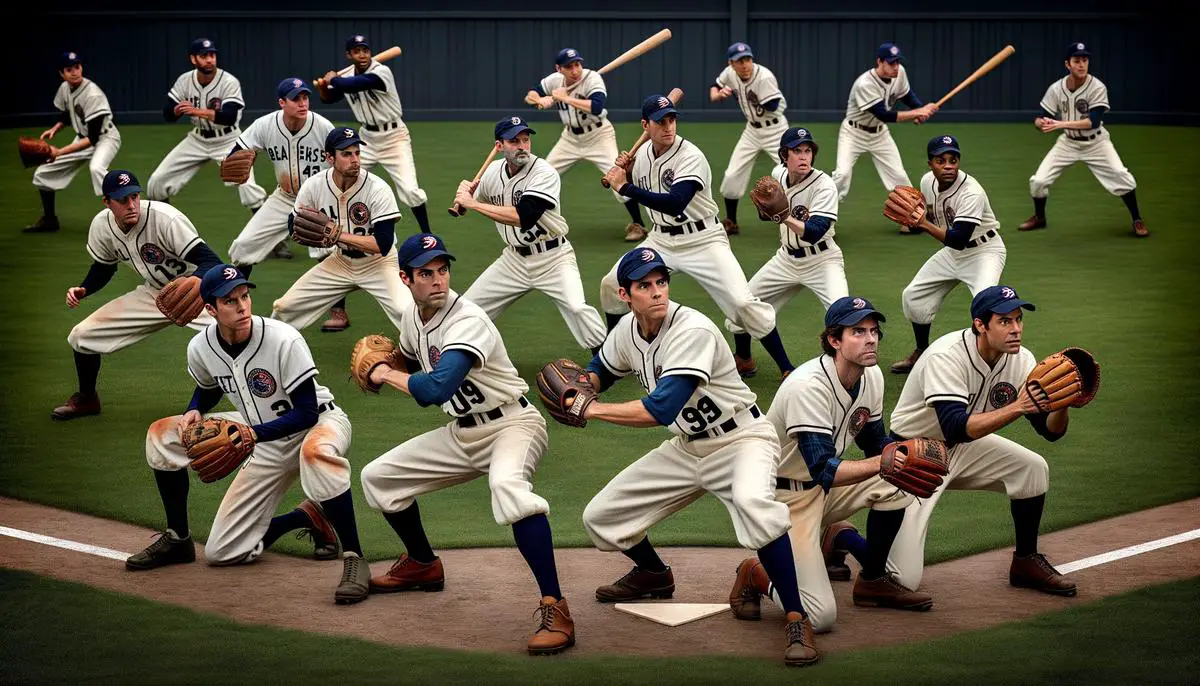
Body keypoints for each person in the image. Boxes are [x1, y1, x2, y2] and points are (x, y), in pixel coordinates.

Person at [578, 247, 819, 667]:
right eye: (644, 286)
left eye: (661, 282)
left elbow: (660, 409)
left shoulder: (693, 329)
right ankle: (653, 574)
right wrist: (582, 385)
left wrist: (591, 408)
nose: (657, 292)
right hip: (688, 448)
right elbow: (603, 365)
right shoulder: (627, 332)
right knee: (601, 517)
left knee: (753, 504)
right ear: (624, 295)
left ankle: (797, 617)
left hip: (742, 439)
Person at [358, 233, 575, 656]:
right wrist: (381, 363)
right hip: (464, 432)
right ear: (405, 279)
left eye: (443, 270)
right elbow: (409, 357)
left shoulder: (467, 319)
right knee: (379, 478)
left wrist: (385, 375)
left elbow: (437, 386)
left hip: (514, 423)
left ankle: (556, 606)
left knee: (508, 490)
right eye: (426, 274)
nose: (438, 280)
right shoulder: (411, 318)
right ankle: (422, 564)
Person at [128, 264, 370, 606]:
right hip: (259, 434)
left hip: (318, 425)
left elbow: (306, 412)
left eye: (245, 296)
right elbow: (207, 385)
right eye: (230, 301)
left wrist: (250, 435)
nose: (242, 306)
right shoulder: (201, 347)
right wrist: (193, 407)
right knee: (221, 550)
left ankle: (354, 558)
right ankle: (180, 537)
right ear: (211, 310)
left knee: (317, 456)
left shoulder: (283, 338)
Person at [728, 296, 931, 649]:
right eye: (858, 332)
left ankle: (872, 578)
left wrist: (898, 455)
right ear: (834, 340)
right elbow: (823, 469)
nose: (871, 339)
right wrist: (886, 461)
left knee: (898, 486)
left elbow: (873, 441)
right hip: (786, 499)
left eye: (873, 331)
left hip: (827, 488)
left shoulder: (873, 377)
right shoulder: (808, 386)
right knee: (820, 618)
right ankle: (755, 573)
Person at [885, 285, 1078, 597]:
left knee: (1032, 468)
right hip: (914, 456)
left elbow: (1050, 432)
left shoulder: (1021, 360)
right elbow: (955, 427)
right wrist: (1019, 406)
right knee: (902, 577)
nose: (1016, 329)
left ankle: (1026, 561)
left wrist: (1063, 402)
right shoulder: (947, 355)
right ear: (980, 325)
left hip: (966, 448)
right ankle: (844, 539)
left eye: (1018, 320)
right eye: (1005, 322)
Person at [600, 94, 795, 379]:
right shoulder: (640, 155)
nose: (668, 127)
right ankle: (612, 355)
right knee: (611, 283)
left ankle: (785, 367)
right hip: (660, 240)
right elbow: (641, 186)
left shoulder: (690, 155)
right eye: (660, 122)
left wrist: (625, 188)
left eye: (672, 120)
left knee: (742, 304)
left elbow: (675, 202)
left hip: (703, 240)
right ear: (645, 125)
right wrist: (626, 173)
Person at [53, 170, 223, 420]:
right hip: (154, 293)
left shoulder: (165, 219)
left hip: (198, 293)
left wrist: (195, 285)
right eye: (123, 200)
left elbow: (211, 261)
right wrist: (85, 288)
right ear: (107, 202)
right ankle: (87, 399)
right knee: (82, 336)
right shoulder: (102, 226)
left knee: (237, 336)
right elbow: (104, 266)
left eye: (134, 196)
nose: (131, 205)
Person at [451, 117, 605, 354]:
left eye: (526, 139)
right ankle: (459, 356)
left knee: (576, 307)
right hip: (513, 260)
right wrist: (464, 197)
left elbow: (524, 216)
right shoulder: (492, 172)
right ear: (499, 146)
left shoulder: (544, 172)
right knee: (468, 309)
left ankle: (605, 360)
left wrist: (472, 204)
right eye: (514, 141)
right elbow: (470, 199)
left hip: (553, 257)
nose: (522, 146)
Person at [223, 77, 355, 332]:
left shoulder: (322, 126)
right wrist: (235, 161)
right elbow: (236, 150)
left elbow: (343, 159)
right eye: (296, 99)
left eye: (305, 97)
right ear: (282, 102)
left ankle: (339, 312)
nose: (303, 103)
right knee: (243, 247)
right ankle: (233, 302)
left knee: (326, 252)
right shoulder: (265, 125)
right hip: (284, 197)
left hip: (318, 198)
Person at [727, 127, 847, 373]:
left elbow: (815, 231)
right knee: (741, 306)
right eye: (797, 151)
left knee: (843, 316)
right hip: (785, 259)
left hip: (822, 260)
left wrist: (782, 216)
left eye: (808, 151)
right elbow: (768, 215)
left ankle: (845, 370)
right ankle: (744, 358)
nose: (804, 156)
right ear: (784, 156)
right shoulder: (777, 175)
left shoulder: (824, 185)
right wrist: (768, 212)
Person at [270, 127, 410, 333]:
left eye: (357, 152)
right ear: (330, 158)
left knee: (406, 311)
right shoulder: (314, 186)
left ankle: (421, 356)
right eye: (346, 154)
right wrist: (316, 238)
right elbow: (293, 225)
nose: (355, 159)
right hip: (340, 262)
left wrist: (338, 235)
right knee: (284, 308)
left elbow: (383, 244)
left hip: (379, 263)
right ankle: (270, 350)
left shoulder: (377, 188)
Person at [889, 135, 1006, 374]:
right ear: (930, 164)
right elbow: (935, 218)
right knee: (913, 296)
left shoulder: (971, 192)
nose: (948, 165)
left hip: (985, 251)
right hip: (953, 254)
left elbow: (958, 239)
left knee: (984, 305)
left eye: (953, 159)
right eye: (941, 160)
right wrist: (915, 220)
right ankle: (921, 351)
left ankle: (987, 363)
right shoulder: (926, 182)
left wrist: (921, 224)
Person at [1019, 41, 1147, 237]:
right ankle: (1039, 218)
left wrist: (1059, 124)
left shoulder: (1096, 87)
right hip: (1068, 143)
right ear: (1067, 64)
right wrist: (1040, 123)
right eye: (1076, 60)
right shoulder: (1056, 88)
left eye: (1085, 60)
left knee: (1121, 176)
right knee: (1038, 181)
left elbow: (1093, 122)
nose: (1081, 64)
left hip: (1096, 143)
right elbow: (1041, 115)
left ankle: (1137, 219)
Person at [526, 47, 648, 242]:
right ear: (559, 69)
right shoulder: (554, 81)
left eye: (577, 64)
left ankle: (638, 225)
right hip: (570, 139)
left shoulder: (592, 79)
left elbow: (597, 106)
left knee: (617, 177)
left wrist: (565, 97)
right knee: (544, 175)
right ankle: (538, 225)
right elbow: (530, 94)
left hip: (599, 135)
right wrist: (540, 99)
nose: (575, 70)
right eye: (569, 67)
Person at [317, 34, 432, 234]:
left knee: (410, 191)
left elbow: (357, 84)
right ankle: (337, 230)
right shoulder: (345, 77)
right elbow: (329, 98)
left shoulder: (381, 72)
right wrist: (323, 88)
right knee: (341, 179)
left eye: (365, 50)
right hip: (365, 140)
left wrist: (334, 78)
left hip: (394, 137)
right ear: (349, 55)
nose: (362, 54)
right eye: (357, 51)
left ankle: (427, 234)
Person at [146, 38, 267, 215]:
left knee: (248, 188)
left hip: (228, 140)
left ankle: (269, 232)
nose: (210, 59)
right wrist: (177, 110)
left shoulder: (228, 82)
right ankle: (165, 224)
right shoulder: (185, 80)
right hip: (198, 139)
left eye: (212, 55)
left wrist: (196, 111)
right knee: (157, 182)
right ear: (193, 59)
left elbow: (229, 117)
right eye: (204, 56)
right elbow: (167, 113)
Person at [831, 42, 938, 231]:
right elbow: (884, 115)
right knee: (842, 174)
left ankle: (913, 219)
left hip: (879, 134)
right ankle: (821, 213)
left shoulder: (899, 73)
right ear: (879, 62)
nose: (895, 67)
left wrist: (919, 109)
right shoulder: (865, 84)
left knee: (898, 175)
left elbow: (906, 95)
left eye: (897, 62)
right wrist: (919, 111)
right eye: (891, 63)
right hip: (854, 133)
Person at [22, 51, 121, 234]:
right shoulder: (65, 88)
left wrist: (59, 152)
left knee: (97, 168)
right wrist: (56, 128)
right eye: (69, 69)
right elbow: (68, 112)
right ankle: (50, 220)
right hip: (83, 138)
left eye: (77, 67)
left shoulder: (93, 94)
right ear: (62, 74)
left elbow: (93, 139)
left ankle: (120, 219)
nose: (75, 72)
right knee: (43, 173)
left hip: (105, 138)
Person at [710, 42, 789, 236]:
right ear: (731, 63)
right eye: (739, 61)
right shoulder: (730, 73)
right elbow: (715, 87)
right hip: (752, 131)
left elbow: (773, 105)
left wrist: (756, 98)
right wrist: (718, 95)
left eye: (747, 59)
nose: (745, 64)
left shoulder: (765, 77)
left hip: (776, 130)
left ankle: (810, 218)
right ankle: (731, 221)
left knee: (791, 173)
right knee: (732, 175)